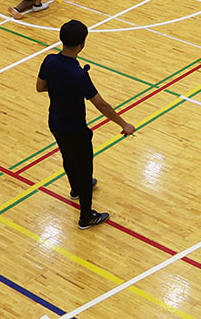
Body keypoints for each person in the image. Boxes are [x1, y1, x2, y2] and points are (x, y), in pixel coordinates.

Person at [36, 20, 136, 229]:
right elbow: (101, 104)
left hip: (55, 122)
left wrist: (60, 88)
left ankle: (75, 189)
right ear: (82, 44)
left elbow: (40, 87)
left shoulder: (50, 61)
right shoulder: (79, 74)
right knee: (84, 168)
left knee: (67, 157)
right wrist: (124, 123)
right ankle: (86, 217)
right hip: (75, 129)